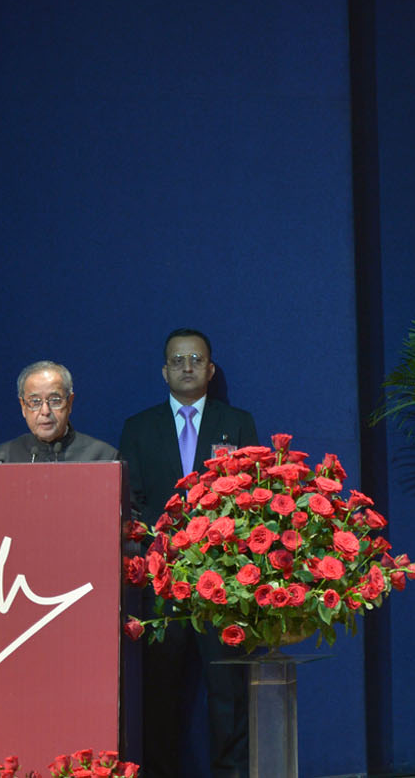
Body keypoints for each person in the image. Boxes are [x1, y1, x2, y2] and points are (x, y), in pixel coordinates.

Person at [118, 329, 259, 778]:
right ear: (164, 370)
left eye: (196, 359)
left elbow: (252, 495)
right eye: (177, 359)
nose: (186, 366)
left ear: (210, 369)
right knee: (160, 694)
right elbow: (131, 504)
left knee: (228, 693)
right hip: (163, 583)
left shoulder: (237, 423)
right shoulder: (138, 428)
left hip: (224, 582)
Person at [0, 360, 119, 462]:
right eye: (35, 402)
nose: (45, 411)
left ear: (70, 403)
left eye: (55, 400)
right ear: (23, 406)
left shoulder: (103, 457)